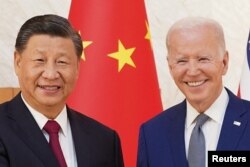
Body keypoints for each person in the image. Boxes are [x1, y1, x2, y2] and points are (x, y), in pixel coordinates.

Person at [0, 14, 124, 167]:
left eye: (62, 62)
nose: (51, 74)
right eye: (40, 60)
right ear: (18, 63)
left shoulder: (104, 140)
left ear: (77, 67)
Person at [137, 17, 250, 167]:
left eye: (203, 59)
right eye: (182, 61)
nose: (192, 71)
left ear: (224, 63)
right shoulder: (152, 132)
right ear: (170, 67)